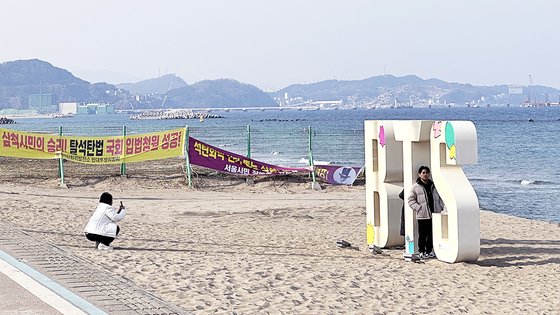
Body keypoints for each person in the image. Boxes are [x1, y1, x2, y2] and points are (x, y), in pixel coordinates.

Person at [407, 166, 444, 259]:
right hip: (422, 215)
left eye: (427, 173)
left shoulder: (433, 185)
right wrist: (419, 208)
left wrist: (440, 207)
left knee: (432, 234)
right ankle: (421, 252)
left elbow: (440, 197)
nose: (425, 174)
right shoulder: (415, 187)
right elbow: (410, 200)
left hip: (434, 213)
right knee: (422, 235)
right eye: (423, 173)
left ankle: (429, 251)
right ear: (419, 174)